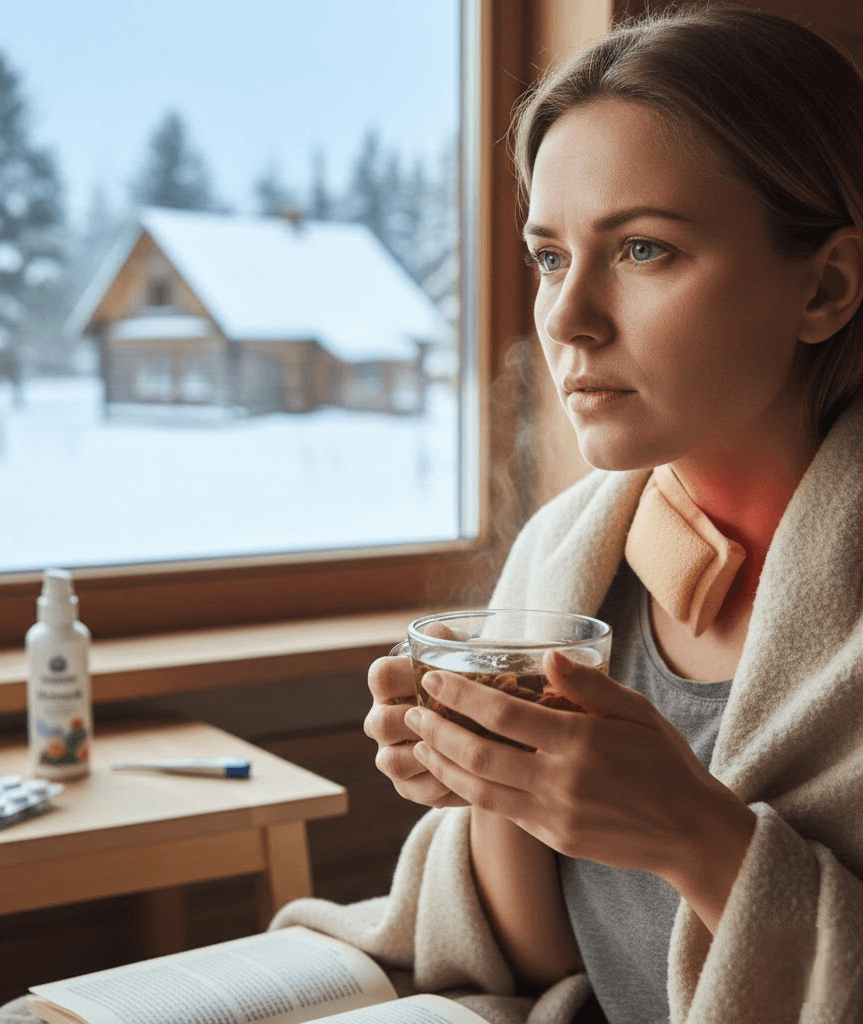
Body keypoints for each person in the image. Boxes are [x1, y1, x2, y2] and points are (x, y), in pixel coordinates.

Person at [359, 3, 863, 1022]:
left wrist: (695, 836)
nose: (566, 317)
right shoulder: (565, 561)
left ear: (826, 285)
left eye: (642, 250)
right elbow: (558, 966)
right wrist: (491, 777)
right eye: (549, 256)